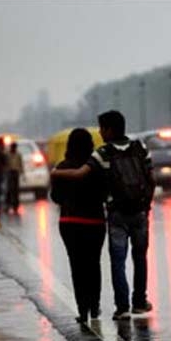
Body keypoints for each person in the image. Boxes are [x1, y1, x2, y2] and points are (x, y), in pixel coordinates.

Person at [51, 111, 155, 320]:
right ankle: (135, 302)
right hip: (109, 219)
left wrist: (56, 173)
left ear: (109, 129)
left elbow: (64, 189)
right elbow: (151, 179)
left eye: (102, 128)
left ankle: (103, 308)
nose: (100, 132)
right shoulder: (140, 148)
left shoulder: (101, 155)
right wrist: (146, 206)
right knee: (129, 259)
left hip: (86, 220)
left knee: (96, 263)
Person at [50, 128, 107, 323]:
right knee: (94, 264)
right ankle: (94, 306)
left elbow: (55, 197)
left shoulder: (61, 167)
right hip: (95, 222)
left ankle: (82, 309)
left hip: (70, 222)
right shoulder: (95, 166)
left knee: (77, 265)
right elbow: (104, 194)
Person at [5, 142, 24, 213]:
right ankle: (8, 204)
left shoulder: (18, 155)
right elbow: (5, 163)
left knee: (16, 189)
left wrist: (22, 172)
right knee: (9, 189)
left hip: (16, 172)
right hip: (10, 172)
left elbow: (20, 163)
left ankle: (15, 205)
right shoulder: (7, 154)